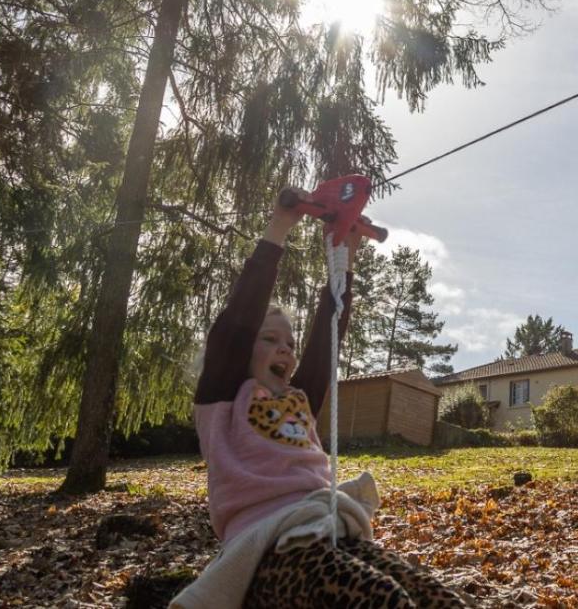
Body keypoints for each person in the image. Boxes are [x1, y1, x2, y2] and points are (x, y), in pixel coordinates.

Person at [183, 189, 469, 608]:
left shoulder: (299, 398)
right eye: (270, 340)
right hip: (271, 550)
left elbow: (326, 338)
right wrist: (279, 227)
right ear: (242, 351)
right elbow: (238, 319)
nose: (285, 349)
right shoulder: (224, 397)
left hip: (324, 527)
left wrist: (344, 255)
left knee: (434, 596)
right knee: (383, 599)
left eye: (289, 343)